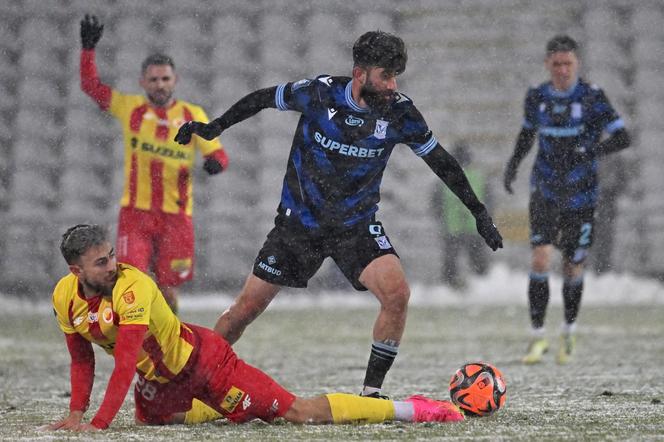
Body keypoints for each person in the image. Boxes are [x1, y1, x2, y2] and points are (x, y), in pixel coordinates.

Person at [175, 30, 503, 398]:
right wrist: (216, 126)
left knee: (396, 294)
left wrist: (478, 211)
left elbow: (441, 161)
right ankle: (190, 385)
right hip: (299, 225)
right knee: (244, 311)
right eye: (385, 76)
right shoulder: (320, 93)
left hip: (355, 227)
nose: (393, 85)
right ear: (360, 73)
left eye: (397, 76)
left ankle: (371, 392)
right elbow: (265, 98)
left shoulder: (400, 113)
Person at [45, 224, 465, 432]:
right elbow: (81, 358)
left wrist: (96, 426)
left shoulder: (132, 286)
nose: (113, 265)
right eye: (101, 262)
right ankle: (228, 407)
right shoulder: (65, 296)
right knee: (154, 422)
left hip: (205, 363)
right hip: (159, 382)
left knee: (296, 413)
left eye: (112, 255)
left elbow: (122, 362)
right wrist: (75, 413)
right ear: (75, 270)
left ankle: (411, 408)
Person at [78, 15, 229, 314]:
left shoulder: (191, 113)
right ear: (142, 82)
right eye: (154, 79)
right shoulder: (130, 108)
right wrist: (88, 51)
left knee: (166, 288)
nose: (160, 85)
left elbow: (219, 155)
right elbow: (90, 86)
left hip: (176, 216)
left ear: (175, 80)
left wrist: (214, 163)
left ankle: (169, 341)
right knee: (128, 283)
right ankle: (132, 345)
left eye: (165, 79)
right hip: (136, 214)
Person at [503, 35, 631, 365]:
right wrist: (513, 166)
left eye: (568, 63)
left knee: (572, 264)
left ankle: (569, 332)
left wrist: (592, 150)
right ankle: (537, 338)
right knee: (540, 259)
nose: (562, 70)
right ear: (547, 64)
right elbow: (527, 134)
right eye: (557, 64)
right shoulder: (537, 97)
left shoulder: (592, 97)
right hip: (545, 189)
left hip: (581, 194)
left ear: (577, 64)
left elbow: (623, 137)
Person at [433, 141, 489, 288]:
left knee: (451, 261)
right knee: (477, 260)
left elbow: (435, 201)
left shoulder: (444, 176)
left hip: (452, 226)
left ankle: (451, 286)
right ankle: (482, 285)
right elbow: (489, 198)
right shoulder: (478, 176)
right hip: (475, 226)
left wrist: (440, 217)